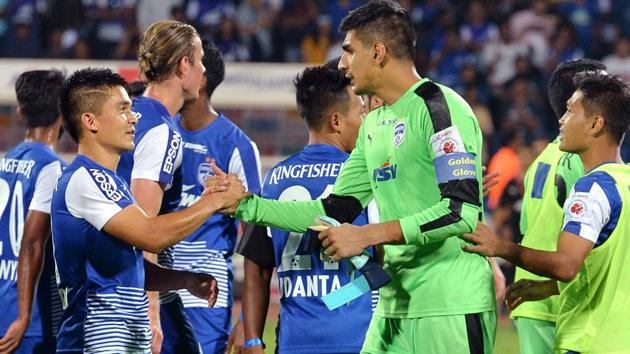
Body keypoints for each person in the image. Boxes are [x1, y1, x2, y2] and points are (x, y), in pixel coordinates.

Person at [210, 1, 495, 352]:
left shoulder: (440, 108)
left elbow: (460, 211)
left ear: (378, 52)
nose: (343, 63)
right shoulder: (374, 123)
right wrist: (247, 205)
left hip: (448, 304)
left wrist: (367, 235)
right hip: (394, 306)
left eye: (349, 51)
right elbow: (332, 209)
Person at [51, 67, 244, 353]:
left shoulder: (108, 181)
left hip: (123, 342)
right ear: (90, 121)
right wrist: (215, 200)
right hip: (95, 343)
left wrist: (182, 280)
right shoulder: (85, 179)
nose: (134, 117)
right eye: (122, 110)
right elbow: (150, 236)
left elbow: (126, 265)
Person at [462, 73, 630, 354]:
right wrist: (549, 288)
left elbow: (566, 265)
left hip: (588, 341)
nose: (562, 119)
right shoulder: (624, 182)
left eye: (570, 111)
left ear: (595, 123)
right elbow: (610, 267)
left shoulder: (591, 189)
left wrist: (501, 247)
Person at [236, 62, 378, 354]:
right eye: (360, 112)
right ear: (336, 121)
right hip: (358, 338)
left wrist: (252, 339)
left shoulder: (274, 179)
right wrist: (336, 300)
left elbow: (257, 268)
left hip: (294, 341)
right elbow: (384, 266)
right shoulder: (365, 178)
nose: (365, 119)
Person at [116, 20, 206, 354]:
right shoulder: (162, 132)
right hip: (133, 286)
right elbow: (143, 229)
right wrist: (150, 314)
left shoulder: (132, 115)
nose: (203, 69)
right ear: (184, 65)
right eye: (199, 60)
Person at [511, 59, 605, 354]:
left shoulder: (541, 159)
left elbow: (526, 227)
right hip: (565, 293)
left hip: (530, 294)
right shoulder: (585, 162)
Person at [173, 39, 262, 353]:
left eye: (179, 68)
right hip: (156, 284)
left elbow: (257, 231)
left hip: (206, 291)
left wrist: (247, 319)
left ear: (201, 76)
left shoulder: (235, 144)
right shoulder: (158, 132)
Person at [0, 70, 65, 353]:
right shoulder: (51, 167)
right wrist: (24, 316)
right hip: (29, 318)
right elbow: (32, 241)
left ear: (19, 113)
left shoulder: (5, 161)